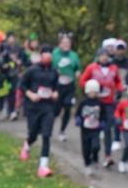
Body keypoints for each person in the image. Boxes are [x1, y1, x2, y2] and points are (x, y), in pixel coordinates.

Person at [19, 45, 60, 177]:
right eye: (45, 53)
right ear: (41, 55)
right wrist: (30, 94)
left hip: (48, 106)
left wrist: (55, 93)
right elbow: (22, 85)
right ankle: (27, 144)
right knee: (34, 134)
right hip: (33, 107)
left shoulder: (54, 71)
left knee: (47, 135)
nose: (48, 56)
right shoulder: (32, 70)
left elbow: (56, 87)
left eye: (50, 53)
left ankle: (43, 167)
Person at [80, 48, 122, 168]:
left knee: (108, 129)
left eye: (106, 55)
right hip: (95, 103)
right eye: (102, 55)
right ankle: (94, 153)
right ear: (98, 56)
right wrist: (91, 89)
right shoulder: (91, 67)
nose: (104, 57)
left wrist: (119, 89)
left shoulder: (114, 68)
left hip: (109, 103)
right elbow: (82, 81)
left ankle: (108, 156)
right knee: (94, 130)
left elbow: (118, 81)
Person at [52, 34, 81, 142]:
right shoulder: (55, 53)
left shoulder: (74, 55)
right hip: (58, 85)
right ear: (59, 44)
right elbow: (50, 66)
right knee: (56, 109)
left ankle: (62, 131)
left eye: (68, 43)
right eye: (64, 43)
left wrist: (78, 72)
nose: (66, 45)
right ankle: (48, 127)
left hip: (70, 85)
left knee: (68, 107)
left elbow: (77, 68)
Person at [75, 79, 107, 178]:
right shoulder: (83, 103)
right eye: (91, 91)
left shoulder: (100, 103)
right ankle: (87, 164)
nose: (93, 93)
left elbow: (104, 115)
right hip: (85, 129)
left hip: (95, 129)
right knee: (86, 148)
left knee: (96, 146)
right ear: (87, 91)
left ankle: (95, 158)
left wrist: (102, 123)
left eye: (95, 91)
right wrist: (78, 120)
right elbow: (78, 113)